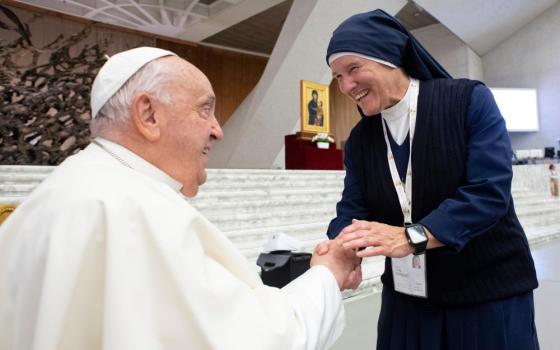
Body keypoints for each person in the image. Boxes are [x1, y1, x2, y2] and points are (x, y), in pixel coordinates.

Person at [0, 47, 362, 350]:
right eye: (205, 109)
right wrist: (327, 274)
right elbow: (263, 340)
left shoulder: (59, 191)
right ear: (148, 115)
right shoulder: (134, 211)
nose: (218, 130)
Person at [324, 9, 539, 350]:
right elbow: (353, 206)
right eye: (337, 76)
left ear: (389, 56)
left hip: (487, 295)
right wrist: (339, 248)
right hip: (409, 304)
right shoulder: (361, 140)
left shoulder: (468, 101)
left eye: (353, 69)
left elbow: (487, 193)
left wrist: (412, 237)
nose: (346, 86)